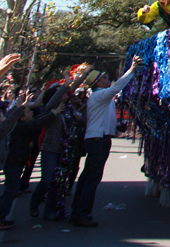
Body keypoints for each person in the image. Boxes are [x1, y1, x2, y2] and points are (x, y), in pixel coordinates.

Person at [70, 57, 144, 228]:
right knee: (92, 178)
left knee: (87, 176)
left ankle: (77, 211)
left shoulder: (101, 98)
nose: (107, 79)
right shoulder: (101, 96)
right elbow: (118, 86)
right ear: (99, 83)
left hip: (98, 139)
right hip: (98, 140)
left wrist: (117, 128)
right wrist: (132, 69)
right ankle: (82, 213)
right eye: (103, 77)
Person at [0, 78, 70, 229]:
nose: (30, 112)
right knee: (11, 191)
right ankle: (1, 217)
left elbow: (35, 117)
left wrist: (23, 105)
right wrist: (54, 113)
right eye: (27, 111)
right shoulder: (20, 127)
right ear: (23, 117)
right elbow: (37, 122)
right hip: (13, 163)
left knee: (11, 191)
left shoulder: (22, 123)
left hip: (17, 163)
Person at [30, 67, 93, 220]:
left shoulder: (69, 109)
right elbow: (59, 95)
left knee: (58, 182)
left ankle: (50, 211)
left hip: (65, 150)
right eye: (62, 91)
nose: (66, 92)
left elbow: (83, 123)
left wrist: (80, 119)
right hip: (50, 149)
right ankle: (34, 203)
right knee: (47, 180)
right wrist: (65, 84)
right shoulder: (51, 108)